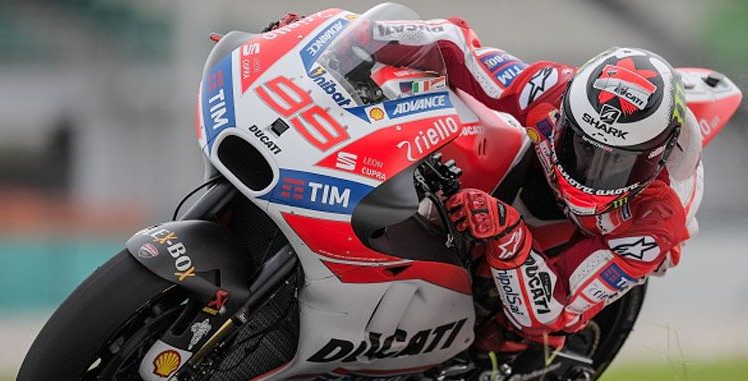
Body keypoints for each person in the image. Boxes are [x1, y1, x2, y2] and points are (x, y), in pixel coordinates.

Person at [266, 13, 703, 352]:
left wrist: (508, 235)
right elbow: (459, 49)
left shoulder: (655, 223)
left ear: (655, 158)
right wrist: (336, 39)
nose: (592, 171)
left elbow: (553, 309)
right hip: (533, 175)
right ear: (569, 116)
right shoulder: (552, 88)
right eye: (583, 148)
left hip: (592, 246)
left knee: (526, 333)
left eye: (616, 164)